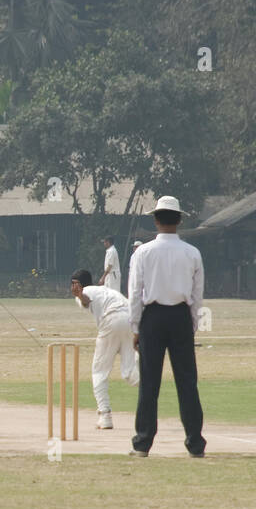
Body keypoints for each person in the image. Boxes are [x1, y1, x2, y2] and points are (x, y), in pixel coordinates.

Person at [127, 196, 206, 458]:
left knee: (149, 383)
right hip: (180, 316)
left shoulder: (143, 253)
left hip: (153, 317)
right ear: (179, 220)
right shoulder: (192, 253)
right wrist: (191, 322)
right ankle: (195, 444)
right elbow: (197, 294)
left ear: (156, 220)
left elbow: (135, 291)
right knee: (187, 382)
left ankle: (143, 443)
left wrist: (136, 327)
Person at [70, 268, 137, 430]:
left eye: (74, 284)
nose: (73, 288)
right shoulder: (107, 290)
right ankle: (150, 383)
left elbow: (86, 300)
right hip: (130, 321)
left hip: (111, 320)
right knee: (130, 373)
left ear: (79, 284)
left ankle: (105, 415)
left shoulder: (86, 291)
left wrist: (80, 295)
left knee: (99, 371)